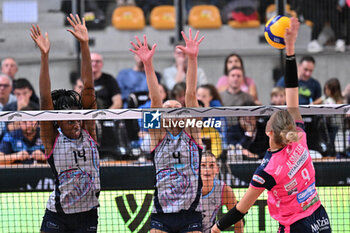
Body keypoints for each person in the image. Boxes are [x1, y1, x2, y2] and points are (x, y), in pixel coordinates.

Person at [211, 17, 331, 233]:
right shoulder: (300, 140)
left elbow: (240, 209)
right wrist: (291, 49)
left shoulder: (267, 170)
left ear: (268, 131)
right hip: (320, 218)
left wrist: (216, 228)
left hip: (296, 226)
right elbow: (292, 95)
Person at [30, 14, 100, 233]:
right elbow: (44, 100)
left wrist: (85, 45)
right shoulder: (53, 139)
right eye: (68, 118)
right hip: (58, 216)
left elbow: (88, 88)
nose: (75, 121)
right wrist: (44, 55)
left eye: (77, 115)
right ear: (57, 121)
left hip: (88, 214)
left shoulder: (89, 130)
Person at [130, 29, 203, 232]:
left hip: (191, 213)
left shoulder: (192, 133)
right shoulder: (157, 135)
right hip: (162, 214)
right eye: (167, 108)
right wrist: (148, 64)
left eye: (176, 108)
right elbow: (155, 101)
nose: (171, 110)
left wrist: (192, 59)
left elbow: (190, 94)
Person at [201, 151, 243, 233]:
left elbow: (238, 222)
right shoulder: (187, 188)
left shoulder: (224, 190)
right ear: (197, 169)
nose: (207, 169)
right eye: (203, 166)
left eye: (211, 166)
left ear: (217, 169)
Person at [117, 44, 162, 108]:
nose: (141, 57)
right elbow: (119, 95)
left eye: (144, 54)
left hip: (148, 108)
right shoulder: (123, 74)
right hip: (128, 109)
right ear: (134, 55)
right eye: (138, 54)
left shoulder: (155, 75)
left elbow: (158, 95)